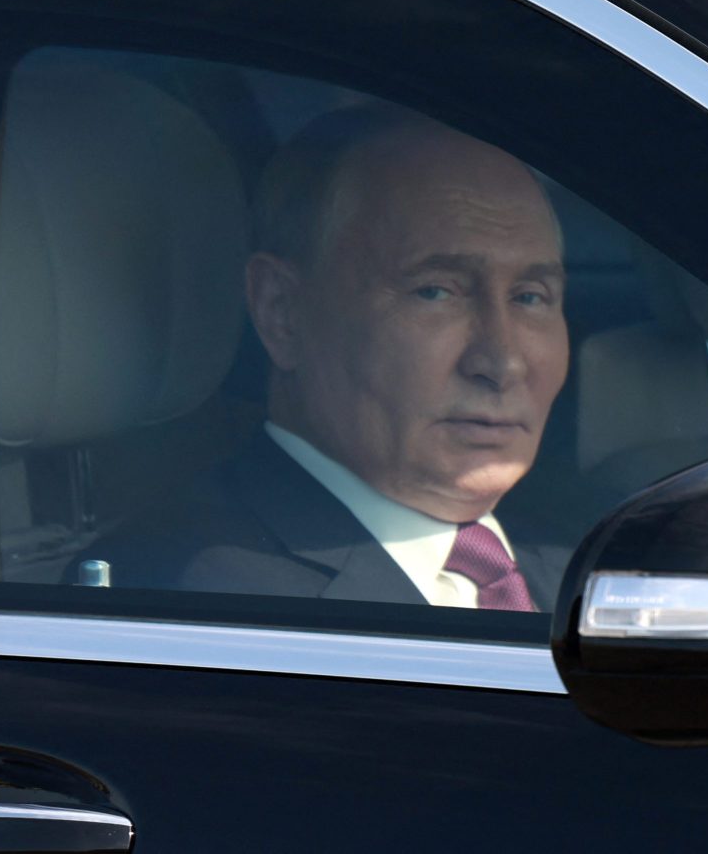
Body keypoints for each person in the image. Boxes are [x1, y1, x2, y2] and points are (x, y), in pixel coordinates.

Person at [84, 107, 570, 611]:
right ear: (282, 311)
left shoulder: (575, 558)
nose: (502, 363)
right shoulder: (193, 598)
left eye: (530, 297)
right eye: (434, 292)